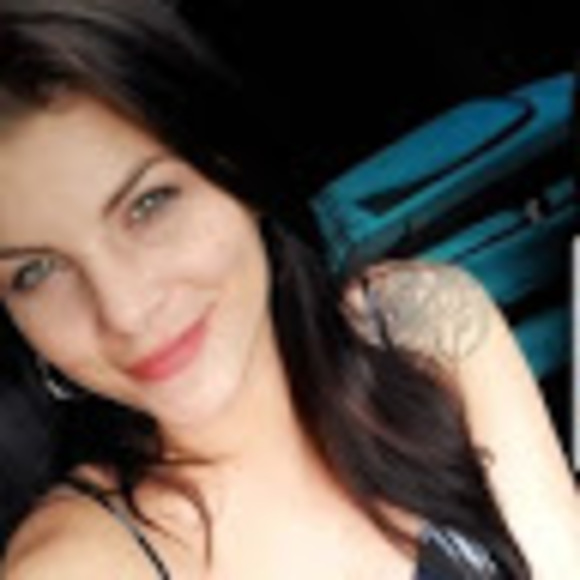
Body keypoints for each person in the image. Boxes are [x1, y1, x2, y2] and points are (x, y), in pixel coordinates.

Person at [0, 1, 578, 578]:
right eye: (36, 272)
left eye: (149, 205)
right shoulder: (78, 564)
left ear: (233, 164)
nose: (124, 310)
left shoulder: (423, 323)